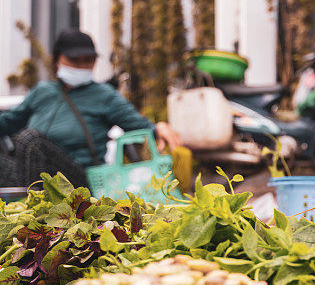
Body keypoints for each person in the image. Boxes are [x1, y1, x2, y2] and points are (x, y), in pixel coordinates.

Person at [0, 28, 182, 187]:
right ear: (57, 60)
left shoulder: (104, 95)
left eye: (88, 60)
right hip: (30, 172)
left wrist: (158, 128)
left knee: (32, 141)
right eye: (74, 60)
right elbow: (9, 122)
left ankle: (33, 212)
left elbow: (138, 124)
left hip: (78, 177)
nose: (82, 65)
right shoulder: (42, 92)